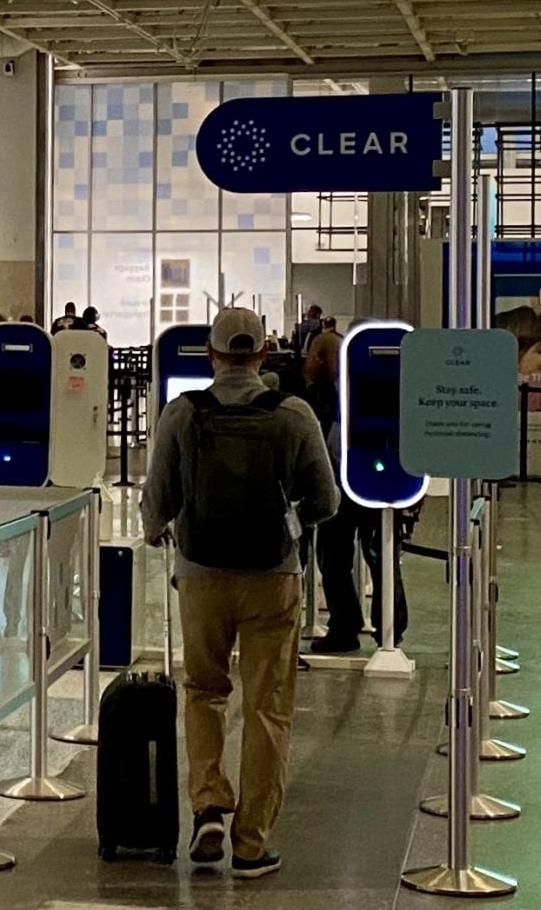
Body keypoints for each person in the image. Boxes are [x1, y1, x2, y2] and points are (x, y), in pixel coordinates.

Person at [140, 305, 336, 878]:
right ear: (264, 352)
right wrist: (289, 523)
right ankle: (251, 843)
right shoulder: (292, 414)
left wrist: (162, 536)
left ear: (212, 354)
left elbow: (157, 500)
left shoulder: (183, 413)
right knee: (267, 707)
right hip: (273, 576)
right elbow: (326, 500)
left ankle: (207, 806)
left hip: (200, 574)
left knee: (203, 690)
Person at [312, 419, 408, 656]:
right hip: (351, 467)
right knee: (341, 554)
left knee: (376, 553)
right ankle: (376, 628)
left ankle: (384, 628)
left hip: (370, 463)